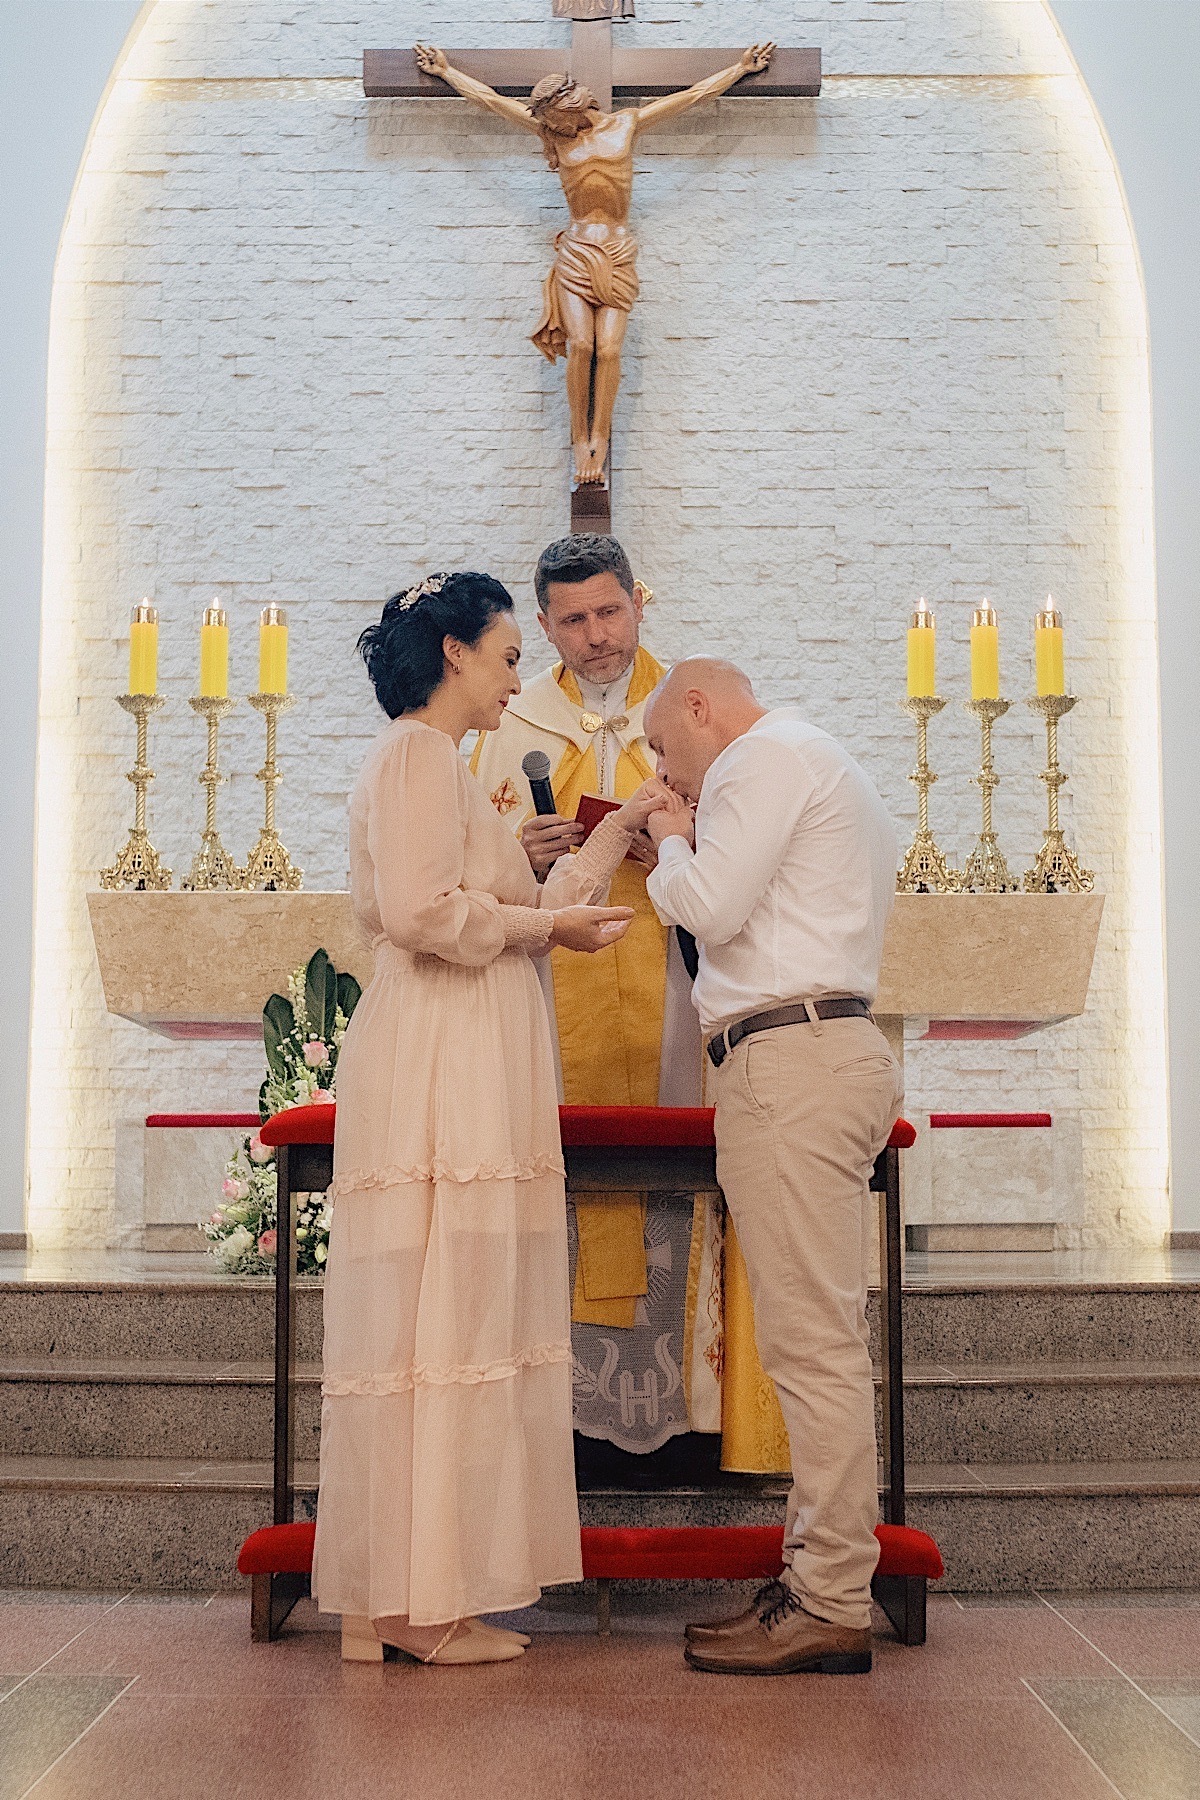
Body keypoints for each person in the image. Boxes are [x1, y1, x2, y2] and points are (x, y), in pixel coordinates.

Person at [313, 570, 657, 1666]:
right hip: (444, 1048)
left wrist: (617, 834)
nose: (520, 680)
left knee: (443, 1314)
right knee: (443, 1311)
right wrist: (538, 930)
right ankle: (418, 1608)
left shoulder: (443, 766)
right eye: (510, 656)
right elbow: (423, 913)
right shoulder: (419, 756)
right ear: (454, 653)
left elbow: (521, 909)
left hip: (468, 1036)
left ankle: (399, 1594)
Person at [641, 658, 903, 1676]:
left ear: (700, 707)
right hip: (824, 1051)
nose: (667, 771)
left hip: (789, 1063)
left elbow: (708, 907)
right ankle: (815, 1581)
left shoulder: (758, 758)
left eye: (664, 747)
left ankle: (830, 1598)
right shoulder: (822, 758)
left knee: (813, 1346)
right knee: (816, 1339)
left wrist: (672, 838)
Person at [471, 534, 729, 1460]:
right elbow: (471, 864)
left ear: (639, 602)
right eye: (573, 619)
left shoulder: (692, 708)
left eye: (610, 611)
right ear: (545, 625)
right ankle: (559, 1415)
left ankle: (687, 1410)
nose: (597, 635)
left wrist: (681, 844)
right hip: (554, 980)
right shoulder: (508, 723)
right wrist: (524, 854)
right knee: (562, 1156)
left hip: (674, 973)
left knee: (674, 1150)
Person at [413, 42, 775, 484]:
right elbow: (490, 101)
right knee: (581, 345)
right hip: (577, 252)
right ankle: (578, 436)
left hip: (617, 253)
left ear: (570, 105)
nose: (551, 127)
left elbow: (694, 96)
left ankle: (599, 436)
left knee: (610, 350)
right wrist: (447, 72)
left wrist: (739, 69)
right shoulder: (554, 136)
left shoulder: (627, 124)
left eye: (554, 119)